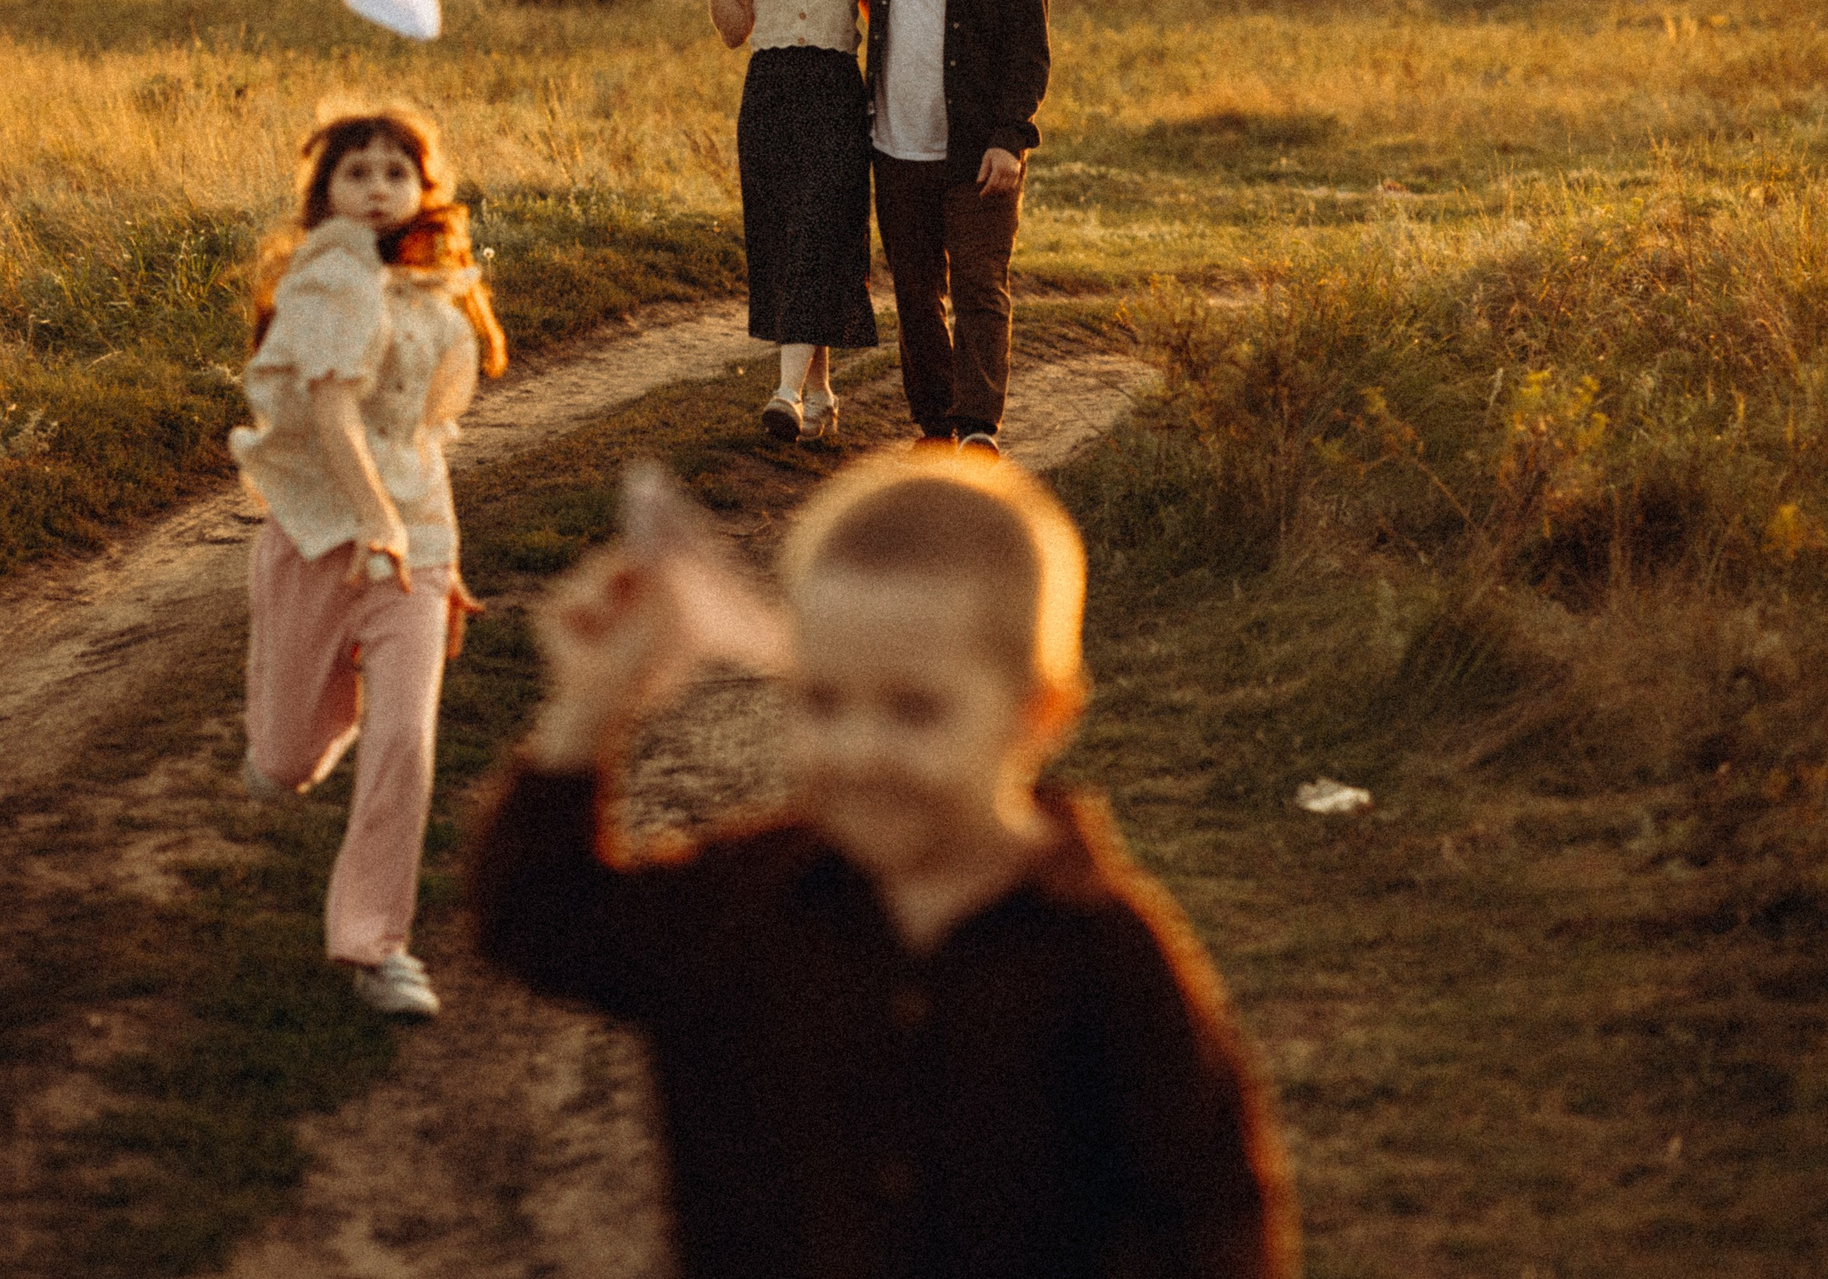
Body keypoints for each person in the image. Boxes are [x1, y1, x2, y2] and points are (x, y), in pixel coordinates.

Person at [473, 451, 1301, 1278]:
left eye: (914, 709)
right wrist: (587, 707)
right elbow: (536, 916)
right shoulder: (744, 905)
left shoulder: (1102, 952)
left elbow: (1215, 1219)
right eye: (822, 701)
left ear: (1036, 714)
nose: (860, 751)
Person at [230, 103, 507, 1018]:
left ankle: (374, 942)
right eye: (358, 172)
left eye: (396, 170)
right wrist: (374, 522)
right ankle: (284, 749)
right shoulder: (328, 282)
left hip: (412, 552)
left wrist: (433, 551)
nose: (379, 187)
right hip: (321, 539)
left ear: (426, 187)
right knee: (288, 753)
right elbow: (338, 416)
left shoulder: (436, 289)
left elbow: (422, 439)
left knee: (403, 742)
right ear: (325, 193)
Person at [862, 0, 1051, 452]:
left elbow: (1029, 54)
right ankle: (935, 424)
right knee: (915, 296)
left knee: (978, 287)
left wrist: (1009, 138)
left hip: (977, 151)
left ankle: (977, 427)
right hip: (893, 144)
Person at [704, 0, 881, 442]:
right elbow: (733, 32)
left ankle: (784, 393)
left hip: (836, 94)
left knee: (817, 233)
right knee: (787, 240)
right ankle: (822, 394)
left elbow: (881, 20)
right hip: (769, 95)